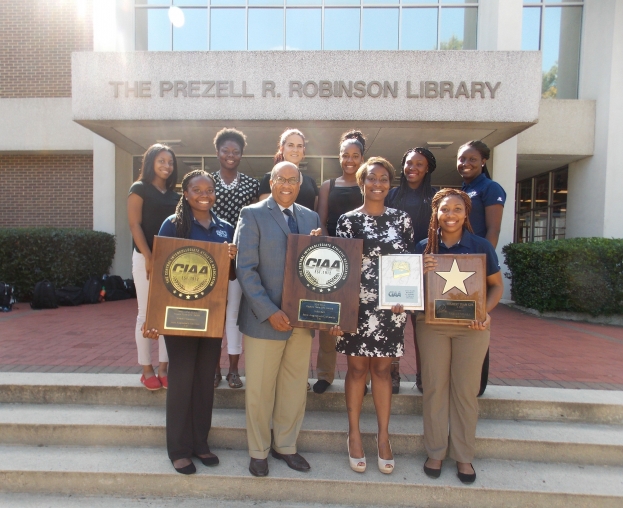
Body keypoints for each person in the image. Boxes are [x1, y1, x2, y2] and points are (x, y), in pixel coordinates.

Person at [143, 169, 237, 475]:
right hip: (180, 316)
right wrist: (153, 317)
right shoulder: (173, 224)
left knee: (204, 381)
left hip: (211, 315)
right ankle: (179, 449)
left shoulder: (225, 228)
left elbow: (229, 276)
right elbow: (160, 272)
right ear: (186, 194)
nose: (204, 195)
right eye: (197, 190)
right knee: (182, 380)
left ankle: (200, 443)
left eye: (209, 190)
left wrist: (232, 258)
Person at [235, 161, 322, 478]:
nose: (287, 184)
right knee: (259, 389)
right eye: (280, 179)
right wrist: (269, 311)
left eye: (293, 179)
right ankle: (258, 451)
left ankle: (285, 445)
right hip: (265, 320)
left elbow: (316, 267)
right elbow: (245, 269)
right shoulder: (252, 214)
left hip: (301, 321)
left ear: (300, 184)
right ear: (271, 182)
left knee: (294, 387)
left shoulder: (311, 217)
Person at [330, 157, 414, 475]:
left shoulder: (402, 219)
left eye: (383, 179)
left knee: (381, 370)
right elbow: (340, 268)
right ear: (362, 182)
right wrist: (338, 311)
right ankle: (353, 434)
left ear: (389, 184)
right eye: (371, 178)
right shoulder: (347, 221)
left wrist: (404, 298)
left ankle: (383, 437)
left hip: (390, 307)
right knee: (355, 370)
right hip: (356, 305)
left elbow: (406, 263)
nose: (377, 184)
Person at [415, 188, 504, 484]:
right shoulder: (424, 247)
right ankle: (436, 450)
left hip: (471, 329)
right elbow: (409, 292)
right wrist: (420, 271)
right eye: (444, 209)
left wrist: (484, 312)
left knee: (465, 391)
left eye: (456, 209)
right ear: (435, 214)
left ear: (466, 213)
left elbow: (495, 287)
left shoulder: (480, 246)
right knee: (434, 388)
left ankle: (464, 456)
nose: (450, 215)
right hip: (432, 326)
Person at [313, 130, 365, 394]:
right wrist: (327, 248)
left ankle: (360, 377)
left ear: (362, 158)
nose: (350, 160)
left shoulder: (368, 184)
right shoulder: (328, 186)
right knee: (329, 317)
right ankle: (325, 373)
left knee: (359, 317)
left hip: (362, 261)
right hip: (332, 259)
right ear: (339, 157)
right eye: (346, 155)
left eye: (355, 155)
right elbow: (321, 220)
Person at [385, 147, 437, 394]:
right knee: (395, 322)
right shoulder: (391, 195)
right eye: (409, 163)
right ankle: (392, 374)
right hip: (397, 268)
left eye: (419, 164)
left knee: (422, 326)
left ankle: (424, 375)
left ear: (427, 168)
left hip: (425, 267)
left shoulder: (436, 197)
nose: (413, 168)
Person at [456, 140, 507, 396]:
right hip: (458, 265)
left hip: (477, 266)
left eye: (472, 159)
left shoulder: (490, 188)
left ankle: (478, 383)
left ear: (483, 161)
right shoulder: (465, 189)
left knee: (477, 322)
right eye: (462, 159)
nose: (466, 164)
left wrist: (484, 264)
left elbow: (493, 229)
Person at [211, 127, 259, 390]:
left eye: (236, 151)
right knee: (215, 315)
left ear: (241, 154)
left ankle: (233, 371)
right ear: (217, 152)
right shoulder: (206, 181)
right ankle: (214, 370)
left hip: (240, 256)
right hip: (212, 257)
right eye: (225, 150)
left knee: (233, 315)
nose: (230, 155)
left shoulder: (252, 184)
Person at [127, 144, 179, 391]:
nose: (167, 166)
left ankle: (163, 368)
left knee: (167, 315)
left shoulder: (174, 196)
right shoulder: (139, 189)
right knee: (145, 314)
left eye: (170, 162)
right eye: (161, 161)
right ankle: (146, 369)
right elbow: (135, 224)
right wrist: (148, 256)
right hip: (145, 258)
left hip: (169, 262)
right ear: (150, 162)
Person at [258, 128, 319, 211]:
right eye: (290, 145)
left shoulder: (310, 181)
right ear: (282, 148)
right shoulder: (269, 178)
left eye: (299, 146)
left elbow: (314, 214)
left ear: (303, 150)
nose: (295, 150)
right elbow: (265, 211)